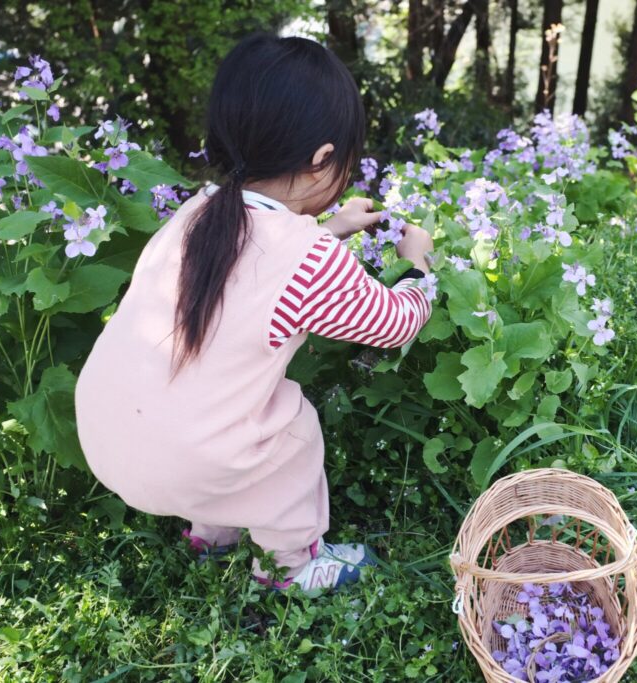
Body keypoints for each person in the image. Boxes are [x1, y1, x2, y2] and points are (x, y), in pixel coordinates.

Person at [74, 33, 434, 592]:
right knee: (291, 426)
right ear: (322, 161)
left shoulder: (196, 213)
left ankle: (211, 537)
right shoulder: (310, 259)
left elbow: (257, 256)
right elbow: (395, 323)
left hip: (105, 441)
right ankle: (290, 568)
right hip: (188, 462)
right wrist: (418, 269)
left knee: (208, 396)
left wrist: (332, 225)